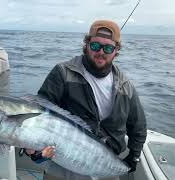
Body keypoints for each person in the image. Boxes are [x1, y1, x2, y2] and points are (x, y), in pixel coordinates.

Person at [28, 20, 147, 180]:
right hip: (63, 165)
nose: (101, 52)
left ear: (116, 50)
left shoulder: (126, 86)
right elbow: (39, 114)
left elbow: (138, 126)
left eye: (108, 47)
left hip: (106, 166)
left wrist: (134, 156)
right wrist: (35, 150)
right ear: (86, 44)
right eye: (96, 46)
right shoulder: (63, 73)